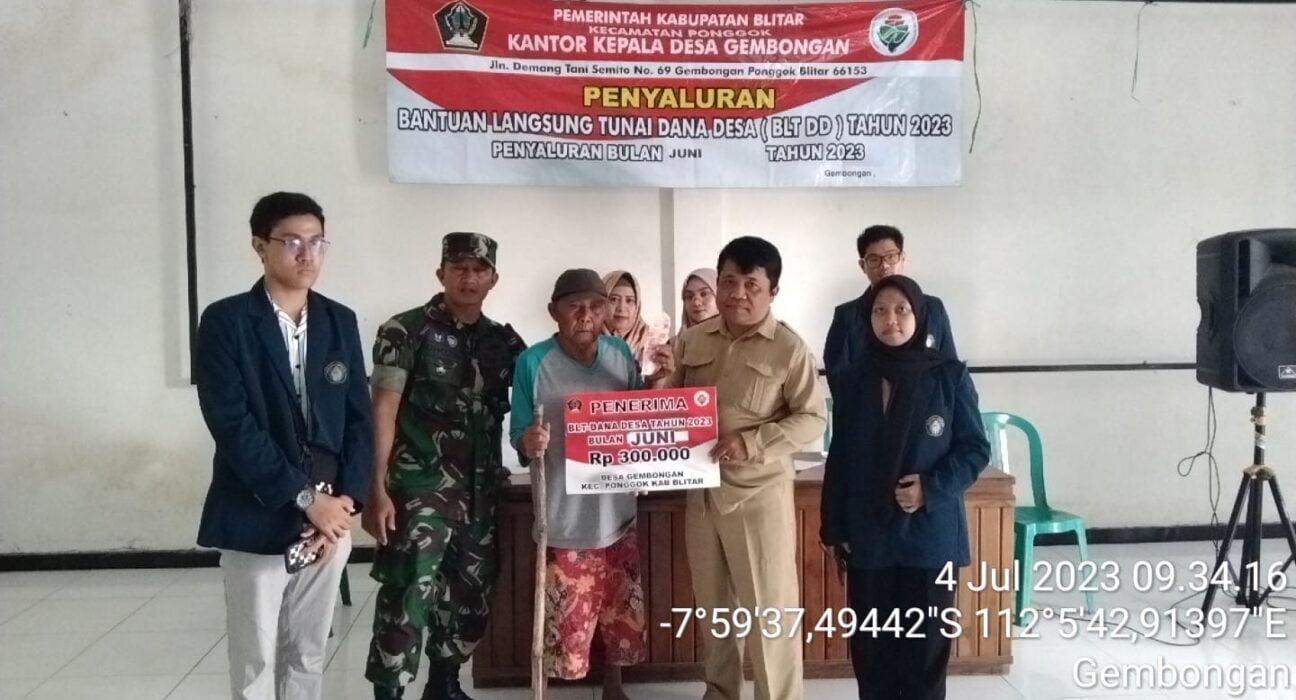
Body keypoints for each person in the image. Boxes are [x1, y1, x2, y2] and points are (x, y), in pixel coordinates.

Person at [195, 191, 372, 700]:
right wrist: (304, 497)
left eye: (317, 242)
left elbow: (358, 420)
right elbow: (232, 424)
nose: (307, 254)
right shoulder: (227, 321)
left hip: (329, 519)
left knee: (309, 651)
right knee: (255, 656)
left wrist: (345, 502)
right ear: (260, 246)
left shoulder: (339, 320)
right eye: (292, 241)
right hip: (257, 510)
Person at [363, 233, 526, 700]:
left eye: (479, 270)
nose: (469, 278)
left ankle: (444, 685)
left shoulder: (503, 342)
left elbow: (542, 388)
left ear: (493, 278)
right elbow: (383, 410)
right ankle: (389, 692)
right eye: (459, 268)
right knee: (407, 592)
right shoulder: (405, 331)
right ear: (441, 274)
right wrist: (375, 488)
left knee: (469, 592)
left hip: (480, 493)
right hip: (418, 489)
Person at [668, 237, 827, 700]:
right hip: (701, 495)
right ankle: (720, 693)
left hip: (757, 497)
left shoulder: (789, 349)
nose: (737, 293)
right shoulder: (692, 339)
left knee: (768, 611)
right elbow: (668, 401)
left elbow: (812, 419)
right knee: (715, 610)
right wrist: (657, 381)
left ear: (772, 291)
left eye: (751, 285)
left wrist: (752, 442)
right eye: (729, 281)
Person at [820, 275, 989, 700]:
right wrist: (833, 528)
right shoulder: (854, 379)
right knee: (872, 652)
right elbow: (841, 456)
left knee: (925, 653)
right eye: (879, 310)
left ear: (920, 316)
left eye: (901, 310)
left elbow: (974, 449)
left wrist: (931, 488)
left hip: (929, 537)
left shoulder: (949, 376)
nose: (890, 320)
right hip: (869, 535)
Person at [510, 269, 673, 700]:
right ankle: (553, 690)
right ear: (554, 311)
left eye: (596, 306)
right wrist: (529, 440)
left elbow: (640, 417)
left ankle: (614, 688)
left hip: (617, 512)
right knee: (565, 622)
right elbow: (518, 433)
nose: (586, 315)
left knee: (619, 613)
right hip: (563, 515)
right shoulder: (532, 363)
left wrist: (658, 382)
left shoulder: (619, 353)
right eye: (575, 306)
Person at [824, 225, 957, 374]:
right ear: (863, 266)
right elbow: (838, 375)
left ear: (902, 258)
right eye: (874, 259)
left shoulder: (933, 307)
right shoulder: (847, 315)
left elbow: (950, 366)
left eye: (891, 256)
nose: (885, 266)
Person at [679, 267, 719, 331]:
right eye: (690, 296)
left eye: (704, 294)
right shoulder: (682, 337)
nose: (696, 303)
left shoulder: (734, 336)